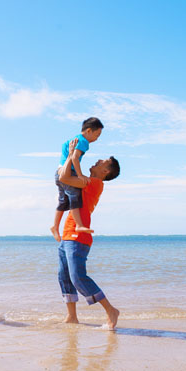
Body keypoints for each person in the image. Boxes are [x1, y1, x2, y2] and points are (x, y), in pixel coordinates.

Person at [56, 139, 121, 330]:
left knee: (77, 277)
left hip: (79, 237)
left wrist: (71, 155)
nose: (98, 160)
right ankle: (72, 316)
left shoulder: (96, 183)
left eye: (102, 161)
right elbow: (69, 177)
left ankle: (111, 310)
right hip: (68, 234)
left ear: (105, 171)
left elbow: (65, 178)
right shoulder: (87, 180)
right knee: (64, 276)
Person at [51, 117, 104, 242]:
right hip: (68, 172)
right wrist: (80, 175)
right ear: (89, 131)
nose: (97, 139)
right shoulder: (83, 141)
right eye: (97, 135)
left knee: (63, 201)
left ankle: (55, 226)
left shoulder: (75, 138)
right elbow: (75, 158)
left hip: (59, 171)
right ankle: (79, 225)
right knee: (74, 197)